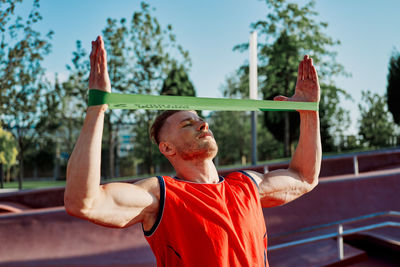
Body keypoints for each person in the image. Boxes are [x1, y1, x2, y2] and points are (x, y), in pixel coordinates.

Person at [64, 36, 321, 267]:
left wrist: (309, 113)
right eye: (188, 124)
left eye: (200, 119)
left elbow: (305, 177)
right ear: (167, 148)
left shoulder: (246, 185)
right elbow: (83, 202)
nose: (202, 124)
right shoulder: (161, 196)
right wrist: (97, 108)